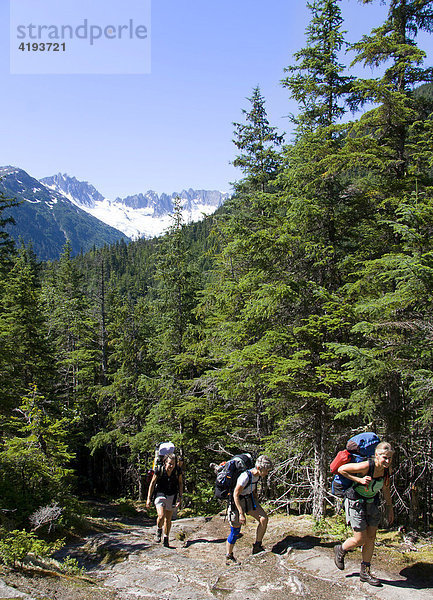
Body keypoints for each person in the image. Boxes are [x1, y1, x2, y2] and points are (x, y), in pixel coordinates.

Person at [333, 441, 394, 586]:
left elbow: (386, 489)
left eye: (390, 458)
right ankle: (340, 549)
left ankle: (365, 572)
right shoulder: (367, 466)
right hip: (355, 501)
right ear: (376, 455)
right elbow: (342, 469)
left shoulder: (386, 470)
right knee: (360, 539)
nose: (387, 461)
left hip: (372, 502)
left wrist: (390, 508)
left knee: (371, 537)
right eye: (384, 457)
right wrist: (359, 479)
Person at [225, 454, 273, 564]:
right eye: (266, 471)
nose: (267, 473)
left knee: (263, 519)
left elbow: (253, 488)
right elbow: (235, 495)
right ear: (259, 468)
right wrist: (241, 513)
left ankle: (257, 546)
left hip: (249, 499)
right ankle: (229, 555)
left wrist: (255, 501)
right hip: (236, 502)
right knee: (236, 530)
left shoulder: (257, 475)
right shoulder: (245, 477)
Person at [146, 453, 183, 548]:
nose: (171, 466)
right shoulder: (159, 470)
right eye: (170, 464)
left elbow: (180, 483)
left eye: (173, 464)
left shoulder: (177, 471)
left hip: (172, 494)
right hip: (160, 494)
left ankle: (166, 538)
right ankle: (159, 530)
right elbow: (153, 483)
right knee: (161, 516)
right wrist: (148, 498)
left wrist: (180, 497)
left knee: (168, 519)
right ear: (165, 463)